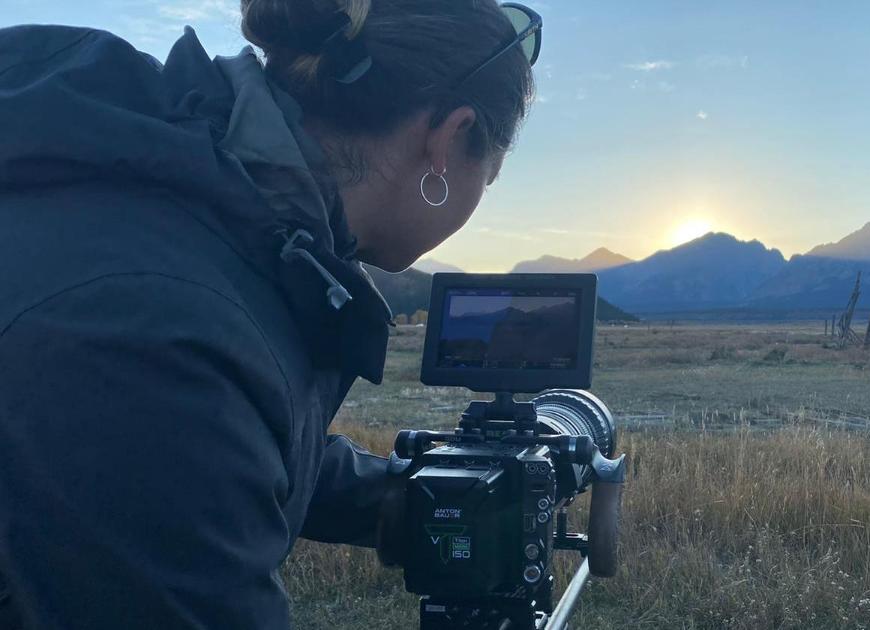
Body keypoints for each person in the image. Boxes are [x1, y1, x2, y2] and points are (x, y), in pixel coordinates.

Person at [0, 0, 539, 627]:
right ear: (447, 139)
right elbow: (177, 417)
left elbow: (214, 447)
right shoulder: (157, 330)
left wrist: (413, 494)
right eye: (490, 174)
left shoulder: (204, 202)